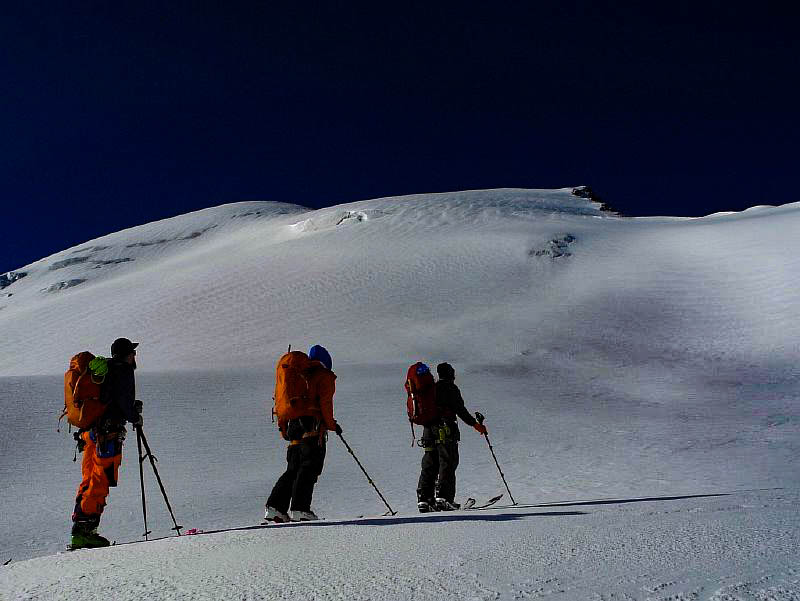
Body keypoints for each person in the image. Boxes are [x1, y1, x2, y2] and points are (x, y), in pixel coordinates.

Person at [70, 337, 143, 549]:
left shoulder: (104, 370)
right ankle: (85, 532)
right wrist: (135, 416)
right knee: (100, 481)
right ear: (127, 354)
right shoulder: (123, 370)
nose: (134, 356)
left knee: (89, 479)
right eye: (132, 352)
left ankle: (80, 528)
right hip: (107, 435)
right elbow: (123, 401)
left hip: (91, 434)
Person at [265, 345, 341, 522]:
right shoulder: (323, 376)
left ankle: (275, 508)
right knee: (308, 469)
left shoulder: (298, 374)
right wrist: (332, 425)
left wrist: (283, 429)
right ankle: (300, 509)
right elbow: (325, 404)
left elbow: (282, 401)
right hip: (312, 428)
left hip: (293, 427)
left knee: (292, 470)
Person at [416, 362, 487, 512]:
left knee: (429, 464)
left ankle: (425, 499)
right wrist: (475, 425)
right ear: (450, 374)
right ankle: (444, 498)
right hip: (445, 429)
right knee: (447, 463)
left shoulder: (430, 388)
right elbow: (460, 409)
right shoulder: (450, 388)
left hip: (428, 430)